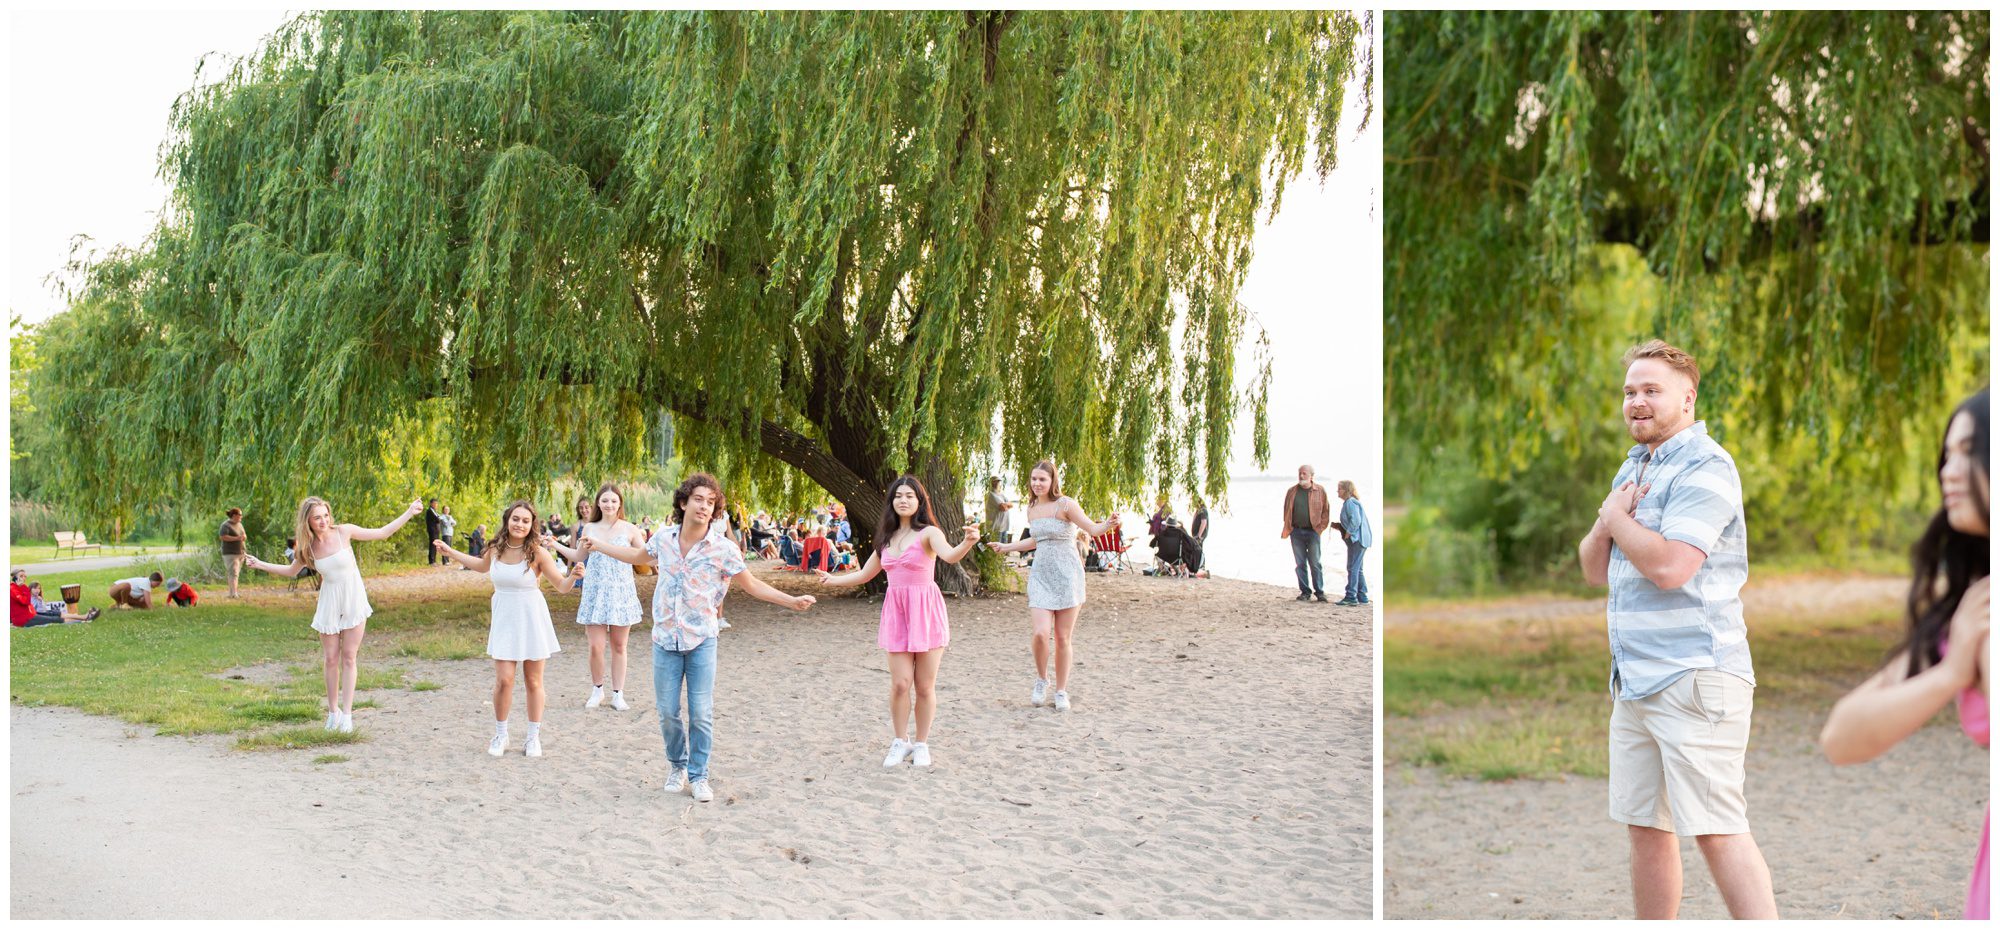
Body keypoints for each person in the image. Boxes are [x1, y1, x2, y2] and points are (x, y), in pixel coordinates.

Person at [1576, 340, 1774, 919]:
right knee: (1646, 827)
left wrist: (1613, 517)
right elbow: (1593, 568)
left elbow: (1670, 567)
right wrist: (1608, 520)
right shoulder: (1633, 467)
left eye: (1651, 390)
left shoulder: (1706, 465)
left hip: (1694, 677)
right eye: (1630, 392)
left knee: (1716, 828)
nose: (1637, 402)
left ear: (1687, 398)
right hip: (1635, 681)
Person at [1821, 388, 1989, 918]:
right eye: (1947, 454)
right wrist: (1950, 674)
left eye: (1970, 452)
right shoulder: (1974, 608)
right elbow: (1841, 738)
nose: (1948, 470)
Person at [583, 473, 816, 803]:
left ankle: (699, 774)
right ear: (683, 503)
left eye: (710, 502)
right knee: (667, 711)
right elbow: (637, 558)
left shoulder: (723, 549)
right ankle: (677, 766)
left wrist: (791, 601)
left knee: (701, 712)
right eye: (698, 500)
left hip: (702, 638)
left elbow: (752, 585)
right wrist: (599, 546)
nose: (704, 506)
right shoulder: (663, 539)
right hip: (665, 638)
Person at [817, 476, 980, 767]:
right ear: (891, 502)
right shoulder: (885, 539)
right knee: (901, 684)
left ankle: (921, 744)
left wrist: (967, 542)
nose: (903, 500)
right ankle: (900, 740)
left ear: (919, 502)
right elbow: (865, 574)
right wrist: (833, 581)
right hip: (897, 613)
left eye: (909, 496)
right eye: (898, 496)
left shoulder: (929, 533)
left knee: (925, 686)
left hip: (926, 612)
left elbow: (951, 556)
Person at [245, 496, 424, 733]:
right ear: (307, 521)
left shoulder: (344, 532)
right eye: (317, 517)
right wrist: (260, 564)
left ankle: (348, 715)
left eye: (326, 515)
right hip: (330, 601)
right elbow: (290, 571)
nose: (323, 521)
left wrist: (409, 511)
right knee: (331, 658)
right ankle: (333, 712)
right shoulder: (307, 547)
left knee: (349, 657)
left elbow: (382, 533)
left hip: (353, 598)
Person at [435, 500, 581, 757]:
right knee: (504, 681)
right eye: (516, 519)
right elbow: (480, 566)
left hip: (531, 618)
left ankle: (533, 738)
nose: (520, 524)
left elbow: (561, 586)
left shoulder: (537, 553)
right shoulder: (495, 548)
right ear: (508, 520)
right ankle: (501, 734)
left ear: (532, 524)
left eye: (525, 521)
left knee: (534, 681)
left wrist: (573, 576)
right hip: (504, 618)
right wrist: (451, 552)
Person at [986, 459, 1121, 711]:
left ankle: (1060, 690)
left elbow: (1092, 528)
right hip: (1041, 576)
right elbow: (1036, 541)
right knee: (1040, 633)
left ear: (1052, 481)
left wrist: (1109, 524)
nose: (1037, 483)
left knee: (1062, 638)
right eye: (1034, 479)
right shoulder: (1032, 508)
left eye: (1042, 479)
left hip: (1068, 575)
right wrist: (1007, 547)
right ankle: (1041, 679)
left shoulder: (1065, 504)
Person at [545, 483, 647, 711]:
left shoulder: (629, 529)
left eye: (613, 500)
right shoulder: (589, 528)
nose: (609, 504)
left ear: (619, 503)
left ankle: (618, 694)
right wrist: (556, 545)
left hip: (621, 591)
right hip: (595, 591)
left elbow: (646, 557)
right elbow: (579, 555)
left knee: (620, 645)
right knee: (596, 646)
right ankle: (597, 689)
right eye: (604, 500)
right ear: (598, 504)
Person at [1281, 465, 1332, 603]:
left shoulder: (1320, 491)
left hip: (1313, 532)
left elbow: (1326, 511)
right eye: (1299, 473)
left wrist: (1320, 528)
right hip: (1296, 532)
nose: (1301, 476)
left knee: (1315, 562)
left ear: (1311, 476)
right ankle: (1305, 592)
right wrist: (1289, 526)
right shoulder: (1292, 491)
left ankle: (1320, 592)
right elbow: (1286, 510)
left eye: (1304, 473)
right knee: (1300, 563)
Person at [1335, 480, 1373, 606]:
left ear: (1346, 490)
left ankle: (1351, 596)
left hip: (1358, 540)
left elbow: (1356, 520)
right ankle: (1362, 595)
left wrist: (1348, 532)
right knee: (1358, 568)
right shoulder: (1350, 503)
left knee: (1352, 567)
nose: (1337, 491)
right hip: (1360, 539)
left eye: (1339, 489)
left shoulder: (1350, 502)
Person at [219, 507, 247, 598]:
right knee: (233, 572)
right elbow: (223, 537)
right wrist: (237, 538)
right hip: (230, 553)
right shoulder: (225, 525)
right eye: (240, 515)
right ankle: (234, 594)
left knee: (236, 573)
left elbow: (244, 534)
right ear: (234, 515)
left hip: (240, 552)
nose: (241, 517)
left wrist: (243, 537)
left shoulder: (240, 524)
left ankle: (233, 593)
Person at [985, 476, 1017, 544]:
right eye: (995, 481)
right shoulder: (990, 495)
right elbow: (1003, 507)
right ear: (991, 483)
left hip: (1004, 526)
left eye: (998, 482)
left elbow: (1011, 504)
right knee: (997, 547)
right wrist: (1006, 505)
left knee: (1003, 547)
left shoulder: (1001, 495)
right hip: (996, 527)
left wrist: (1006, 505)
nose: (997, 483)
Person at [1190, 495, 1211, 576]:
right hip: (1196, 535)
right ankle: (1198, 566)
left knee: (1199, 550)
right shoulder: (1199, 510)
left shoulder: (1203, 510)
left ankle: (1201, 567)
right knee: (1197, 550)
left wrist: (1199, 535)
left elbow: (1204, 522)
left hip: (1199, 536)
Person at [424, 498, 443, 566]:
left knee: (435, 545)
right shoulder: (430, 511)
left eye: (437, 503)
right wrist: (438, 518)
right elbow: (437, 519)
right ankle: (431, 561)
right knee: (432, 545)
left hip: (436, 531)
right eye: (434, 503)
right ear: (431, 503)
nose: (436, 505)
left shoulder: (435, 511)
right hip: (432, 531)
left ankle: (434, 560)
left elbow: (438, 519)